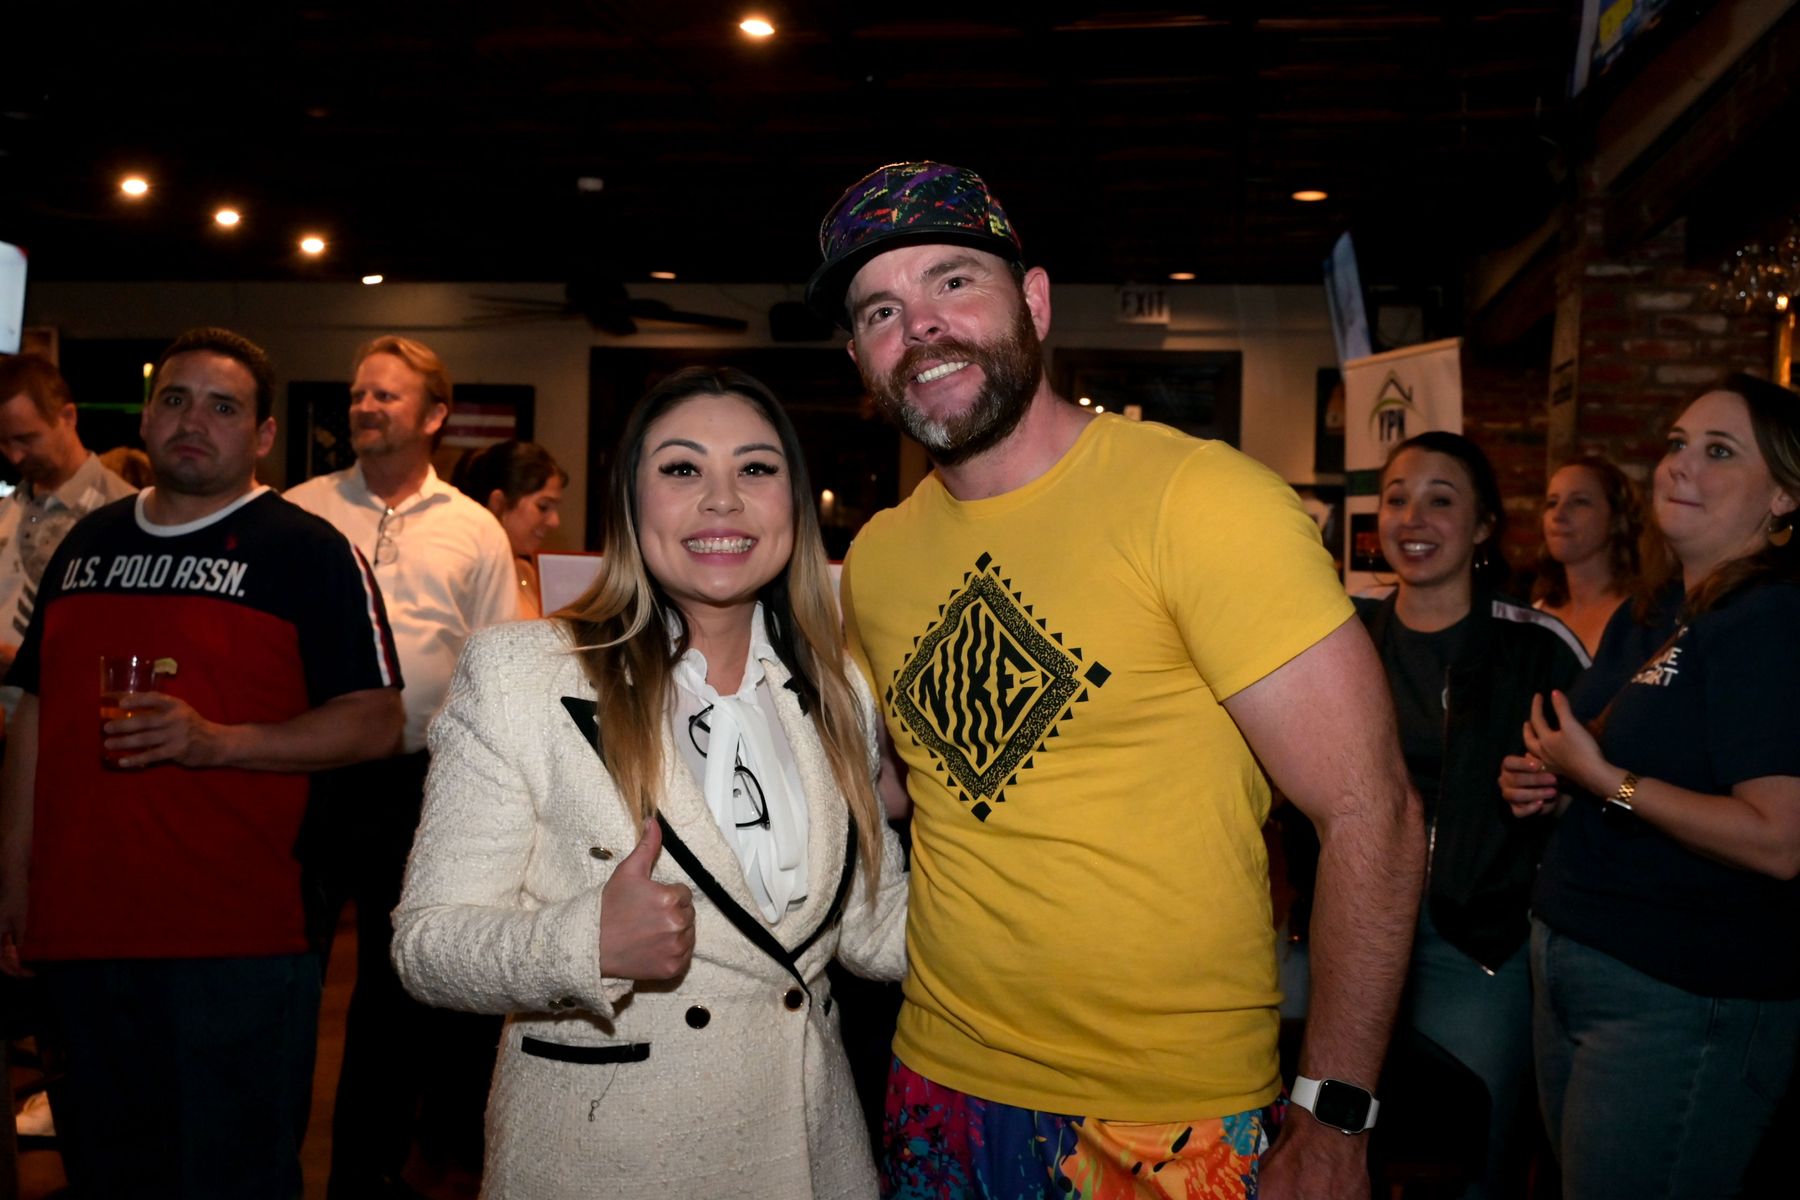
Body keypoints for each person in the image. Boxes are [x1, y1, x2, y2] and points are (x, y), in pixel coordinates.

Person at [808, 160, 1424, 1198]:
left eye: (953, 281)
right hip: (935, 1079)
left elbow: (1375, 814)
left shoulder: (1200, 500)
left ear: (1035, 303)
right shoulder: (877, 557)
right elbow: (905, 787)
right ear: (862, 356)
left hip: (1168, 1108)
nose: (921, 326)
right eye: (881, 311)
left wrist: (1334, 1119)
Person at [391, 366, 909, 1198]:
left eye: (755, 468)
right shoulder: (523, 675)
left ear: (794, 502)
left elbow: (871, 931)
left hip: (810, 1152)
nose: (722, 499)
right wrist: (584, 942)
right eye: (681, 468)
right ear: (631, 503)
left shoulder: (840, 687)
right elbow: (427, 946)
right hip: (607, 1157)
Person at [0, 327, 403, 1198]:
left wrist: (218, 741)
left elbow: (377, 723)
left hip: (238, 938)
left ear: (263, 435)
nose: (194, 421)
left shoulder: (308, 552)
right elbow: (36, 710)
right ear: (147, 417)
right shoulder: (87, 544)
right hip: (80, 926)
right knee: (104, 1174)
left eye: (224, 407)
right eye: (176, 400)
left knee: (230, 1178)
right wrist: (13, 878)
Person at [1508, 374, 1800, 1199]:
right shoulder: (1654, 609)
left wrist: (1607, 781)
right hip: (1575, 958)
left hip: (1679, 991)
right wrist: (1552, 781)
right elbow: (1598, 763)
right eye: (1677, 444)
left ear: (1784, 496)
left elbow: (1779, 840)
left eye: (1720, 452)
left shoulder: (1771, 620)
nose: (1680, 465)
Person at [283, 334, 516, 1197]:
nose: (365, 406)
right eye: (359, 393)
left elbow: (498, 662)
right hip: (303, 772)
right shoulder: (300, 511)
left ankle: (364, 1178)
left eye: (386, 394)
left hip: (417, 783)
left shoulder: (474, 528)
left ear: (434, 415)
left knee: (391, 993)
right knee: (285, 975)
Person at [1356, 431, 1586, 1200]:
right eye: (1397, 498)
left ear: (1484, 525)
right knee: (1342, 1142)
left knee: (1475, 1155)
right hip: (1351, 923)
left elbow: (1609, 781)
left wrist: (1556, 789)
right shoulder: (1345, 637)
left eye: (1440, 500)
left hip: (1479, 938)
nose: (1413, 518)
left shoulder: (1537, 647)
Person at [0, 355, 138, 705]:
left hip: (70, 718)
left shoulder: (126, 512)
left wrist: (22, 664)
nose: (14, 457)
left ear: (68, 417)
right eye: (3, 442)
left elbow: (132, 643)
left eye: (25, 439)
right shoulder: (5, 511)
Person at [1530, 453, 1643, 655]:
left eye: (1579, 502)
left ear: (1617, 519)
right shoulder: (1536, 616)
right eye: (1552, 503)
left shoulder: (1639, 618)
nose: (1558, 515)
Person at [452, 439, 567, 618]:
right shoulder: (469, 574)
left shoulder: (525, 571)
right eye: (543, 506)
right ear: (498, 503)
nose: (554, 521)